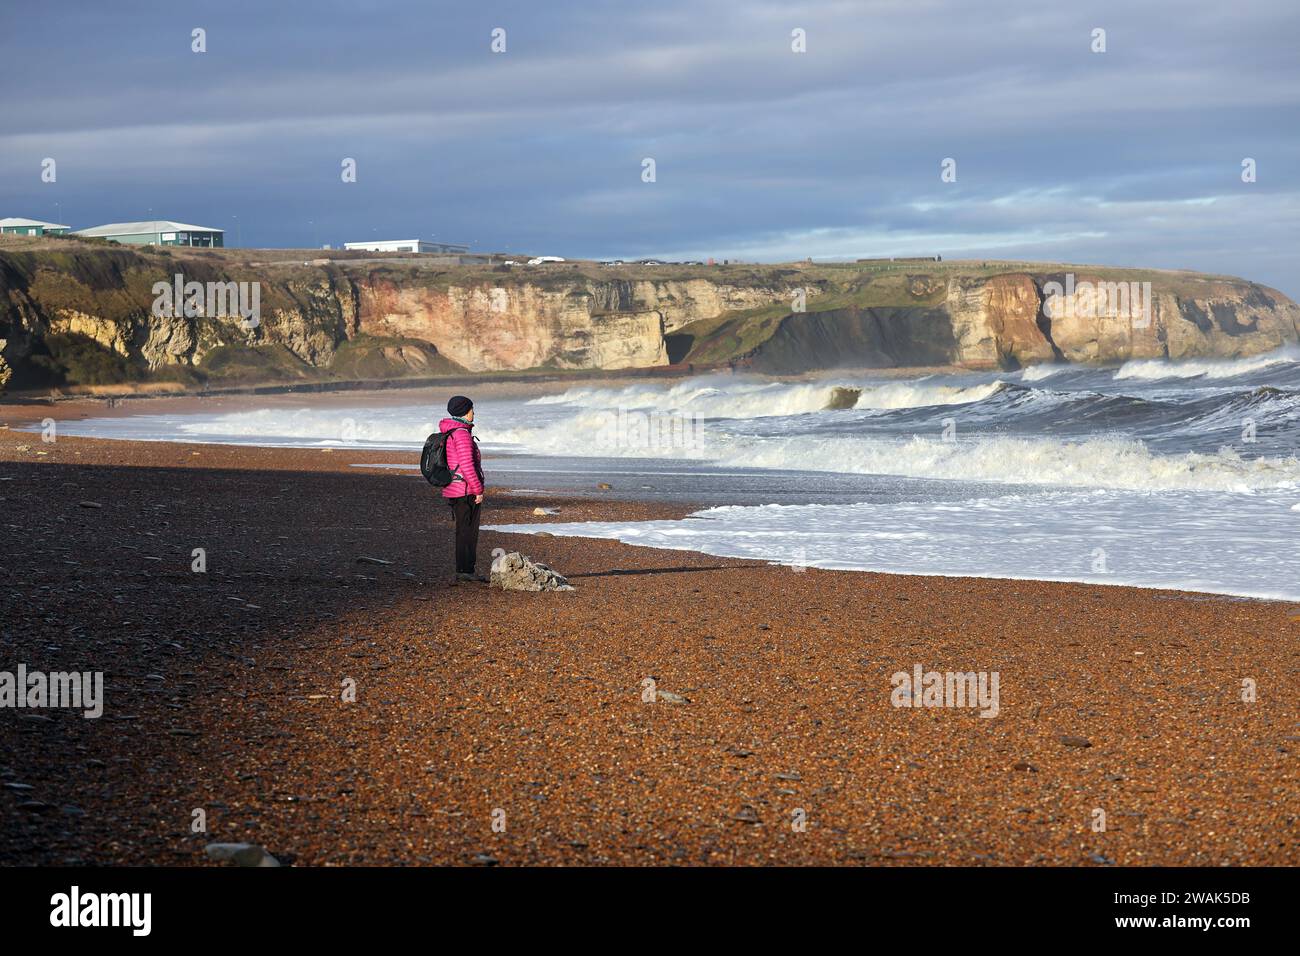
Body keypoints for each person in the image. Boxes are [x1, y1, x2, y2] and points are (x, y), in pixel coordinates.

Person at [440, 395, 485, 582]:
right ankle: (467, 571)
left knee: (462, 530)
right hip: (465, 490)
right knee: (468, 531)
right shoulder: (462, 434)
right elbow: (467, 465)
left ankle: (463, 570)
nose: (474, 412)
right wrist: (478, 489)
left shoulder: (451, 431)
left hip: (455, 487)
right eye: (471, 409)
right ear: (465, 411)